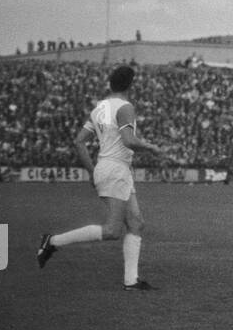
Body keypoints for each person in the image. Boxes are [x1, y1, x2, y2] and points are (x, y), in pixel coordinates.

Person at [36, 65, 176, 290]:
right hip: (116, 169)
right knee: (112, 230)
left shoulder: (100, 108)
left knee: (136, 223)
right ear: (131, 84)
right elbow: (129, 140)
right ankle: (52, 242)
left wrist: (92, 171)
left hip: (110, 167)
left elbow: (79, 141)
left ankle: (131, 281)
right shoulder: (125, 107)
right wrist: (152, 148)